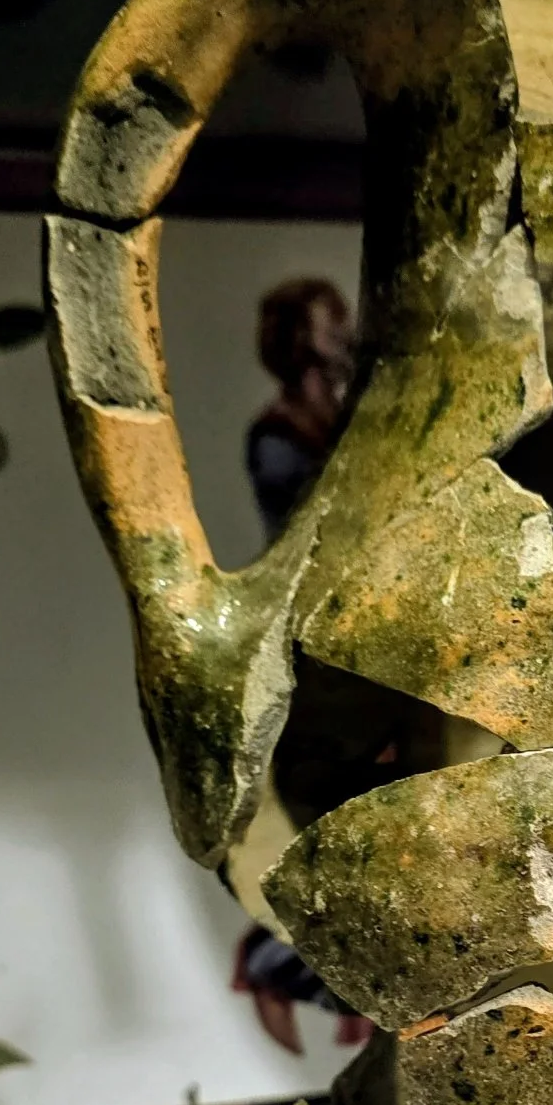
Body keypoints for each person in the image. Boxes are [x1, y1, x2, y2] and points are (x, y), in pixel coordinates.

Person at [234, 275, 368, 1054]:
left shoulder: (342, 417)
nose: (340, 335)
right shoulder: (278, 434)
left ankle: (350, 986)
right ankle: (277, 963)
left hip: (358, 631)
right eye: (327, 327)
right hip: (314, 641)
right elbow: (315, 526)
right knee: (332, 816)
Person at [245, 277, 353, 547]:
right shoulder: (276, 438)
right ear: (302, 337)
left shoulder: (336, 417)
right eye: (335, 322)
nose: (348, 334)